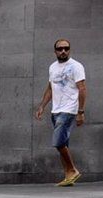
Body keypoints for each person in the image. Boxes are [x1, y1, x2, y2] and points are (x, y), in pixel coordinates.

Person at [35, 39, 86, 186]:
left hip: (69, 109)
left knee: (58, 142)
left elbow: (82, 89)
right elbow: (50, 88)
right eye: (60, 49)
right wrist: (42, 106)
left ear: (69, 50)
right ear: (55, 51)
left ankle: (73, 170)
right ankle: (68, 176)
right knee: (64, 144)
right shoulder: (52, 67)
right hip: (55, 110)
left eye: (66, 48)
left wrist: (80, 111)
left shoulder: (76, 66)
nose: (63, 51)